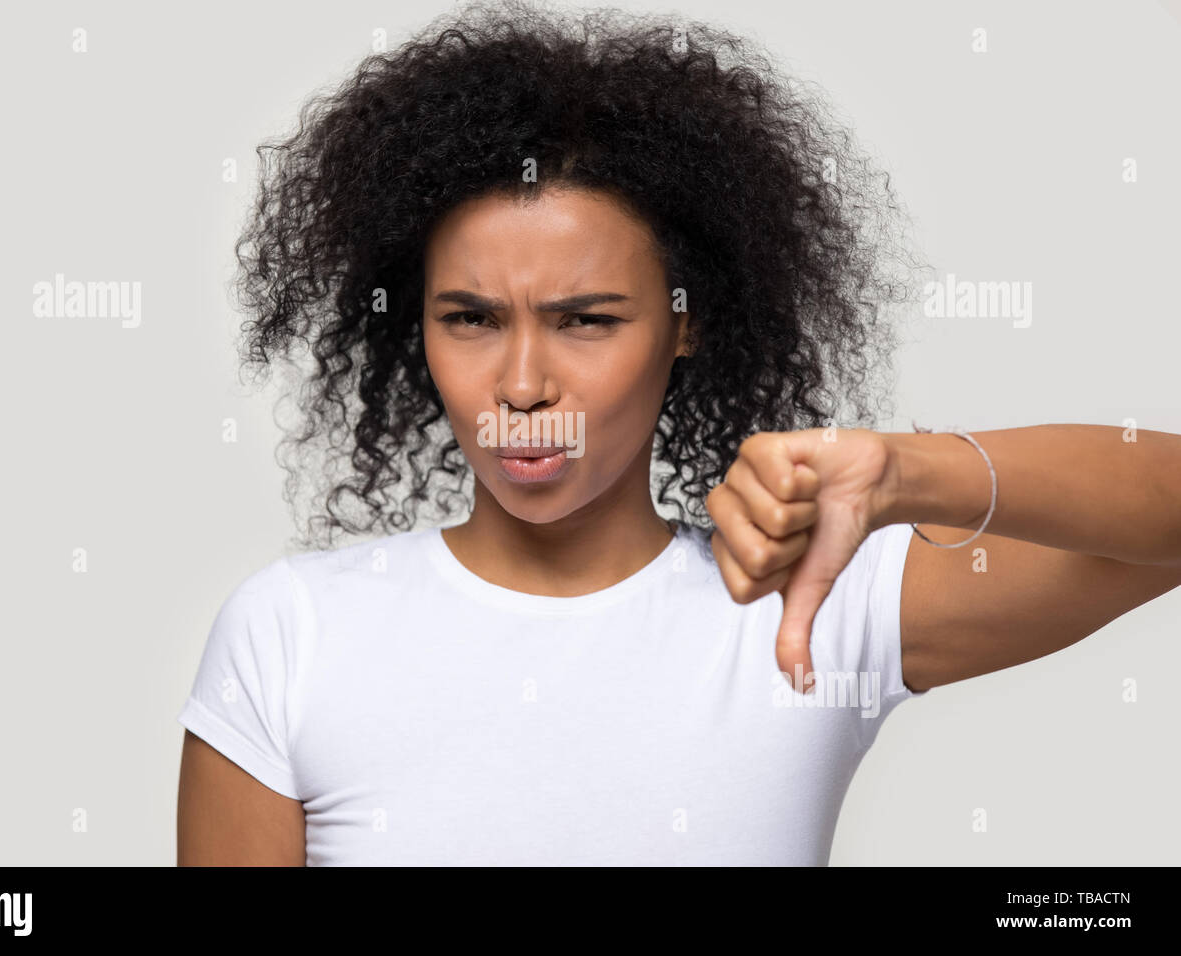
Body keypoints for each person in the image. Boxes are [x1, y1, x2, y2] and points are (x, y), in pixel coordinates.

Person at [175, 0, 1181, 865]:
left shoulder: (806, 609)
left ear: (687, 320)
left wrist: (909, 468)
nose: (522, 383)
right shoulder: (292, 634)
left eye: (587, 319)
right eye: (471, 317)